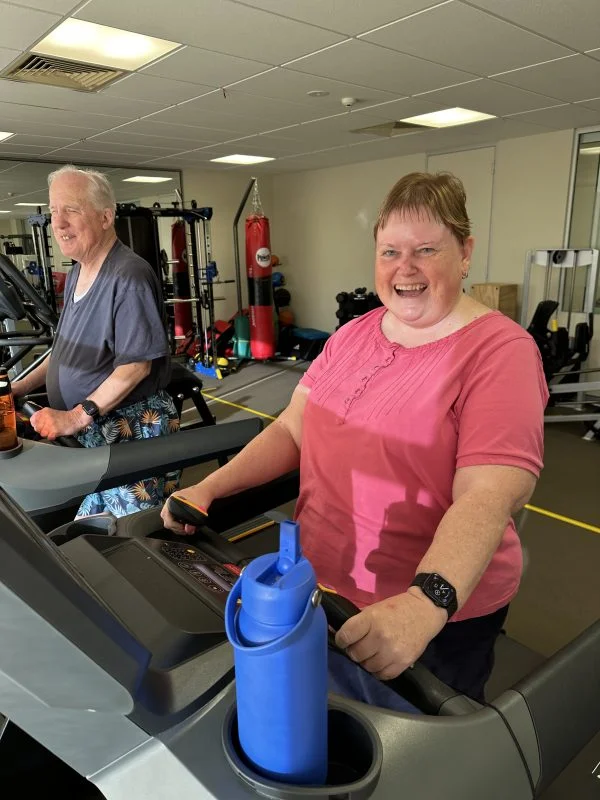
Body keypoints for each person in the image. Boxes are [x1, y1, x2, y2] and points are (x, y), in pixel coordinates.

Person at [161, 171, 549, 705]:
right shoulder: (352, 335)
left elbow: (489, 494)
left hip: (425, 612)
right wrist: (209, 490)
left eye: (426, 249)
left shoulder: (500, 352)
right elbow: (294, 428)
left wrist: (426, 601)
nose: (405, 269)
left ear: (465, 253)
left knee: (421, 763)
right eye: (390, 251)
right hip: (322, 582)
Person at [12, 164, 180, 518]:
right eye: (54, 210)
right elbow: (64, 349)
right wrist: (16, 388)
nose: (58, 223)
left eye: (71, 209)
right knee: (91, 531)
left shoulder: (128, 274)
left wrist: (76, 415)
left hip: (131, 429)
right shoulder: (78, 271)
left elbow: (136, 365)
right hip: (93, 432)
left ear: (106, 217)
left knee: (132, 538)